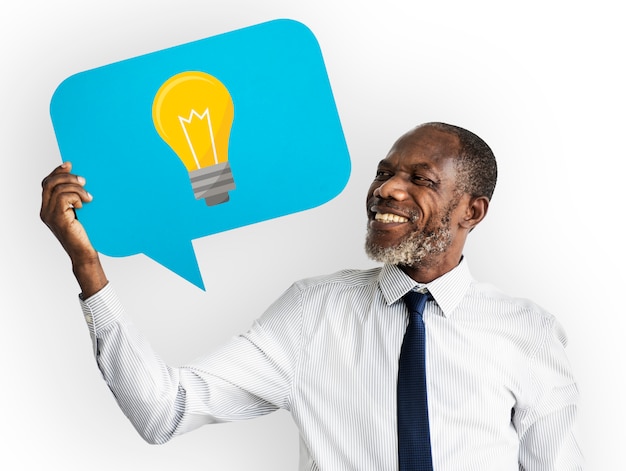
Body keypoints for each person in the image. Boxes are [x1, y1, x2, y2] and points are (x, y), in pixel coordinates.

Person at [40, 122, 583, 470]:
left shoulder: (526, 330)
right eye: (385, 173)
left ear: (472, 211)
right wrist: (87, 266)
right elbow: (164, 411)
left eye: (421, 179)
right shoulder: (313, 312)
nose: (388, 189)